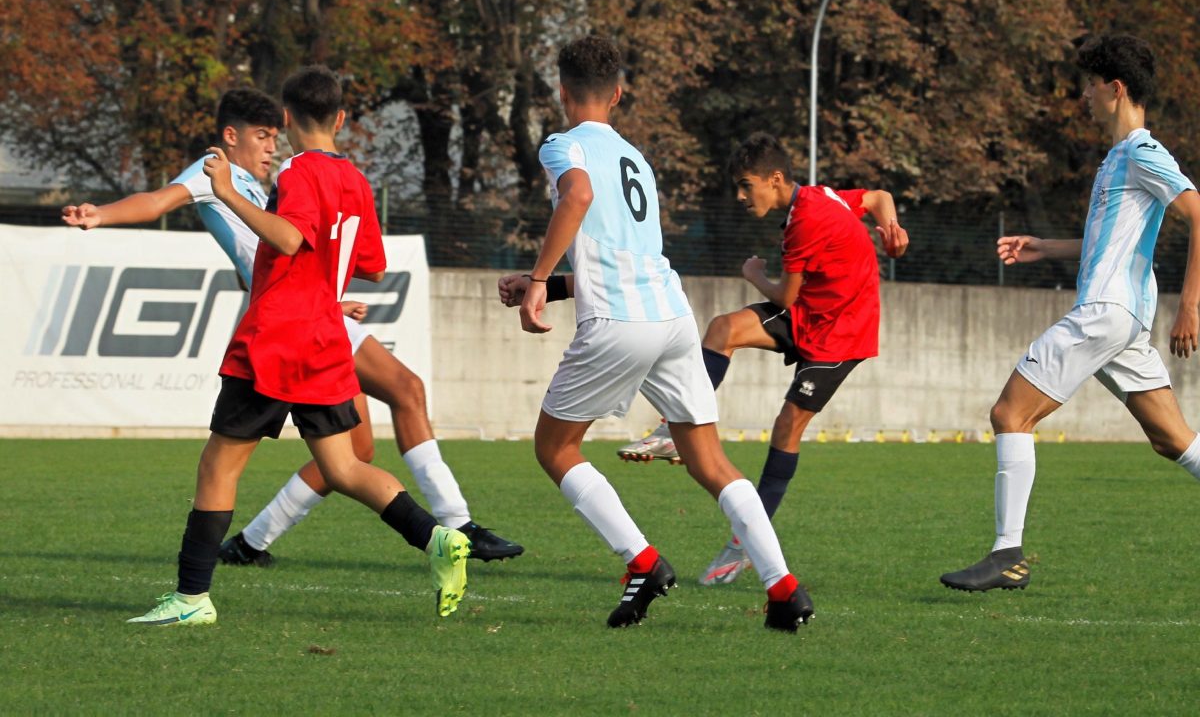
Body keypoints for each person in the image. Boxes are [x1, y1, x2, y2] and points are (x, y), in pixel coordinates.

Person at [63, 89, 522, 567]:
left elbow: (302, 249)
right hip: (295, 323)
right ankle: (453, 527)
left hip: (311, 314)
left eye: (275, 136)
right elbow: (156, 201)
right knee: (380, 420)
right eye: (261, 137)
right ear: (230, 135)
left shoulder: (271, 186)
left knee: (357, 446)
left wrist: (331, 292)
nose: (270, 147)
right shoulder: (216, 171)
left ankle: (250, 545)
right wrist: (103, 214)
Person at [498, 36, 810, 632]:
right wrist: (552, 284)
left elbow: (578, 197)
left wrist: (538, 279)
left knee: (555, 449)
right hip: (671, 317)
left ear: (562, 92)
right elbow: (622, 253)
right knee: (709, 460)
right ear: (617, 94)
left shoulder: (563, 145)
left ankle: (642, 562)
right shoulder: (636, 157)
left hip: (618, 323)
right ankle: (783, 589)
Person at [941, 34, 1200, 592]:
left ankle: (1006, 554)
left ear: (1116, 88)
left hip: (1106, 312)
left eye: (1089, 84)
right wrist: (1047, 247)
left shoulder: (1142, 151)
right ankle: (1005, 553)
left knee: (1010, 414)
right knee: (1173, 440)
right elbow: (1110, 241)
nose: (1083, 94)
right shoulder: (1117, 159)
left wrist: (1190, 307)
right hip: (1122, 319)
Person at [620, 133, 907, 587]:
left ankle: (745, 544)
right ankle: (673, 430)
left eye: (745, 184)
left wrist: (754, 275)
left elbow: (785, 295)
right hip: (809, 312)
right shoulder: (817, 196)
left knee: (787, 425)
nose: (740, 195)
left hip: (840, 333)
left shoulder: (806, 222)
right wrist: (891, 227)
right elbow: (878, 197)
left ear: (775, 179)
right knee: (722, 328)